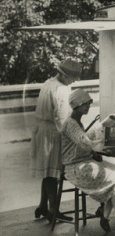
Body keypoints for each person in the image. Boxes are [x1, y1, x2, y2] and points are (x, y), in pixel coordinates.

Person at [61, 89, 115, 236]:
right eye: (86, 105)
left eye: (89, 104)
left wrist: (94, 153)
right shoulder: (71, 124)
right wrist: (103, 130)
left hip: (85, 162)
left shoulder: (76, 122)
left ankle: (105, 215)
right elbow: (85, 142)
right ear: (77, 105)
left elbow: (80, 145)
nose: (88, 107)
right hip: (76, 168)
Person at [30, 57, 82, 222]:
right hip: (52, 132)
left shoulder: (48, 83)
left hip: (41, 130)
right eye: (73, 78)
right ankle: (53, 209)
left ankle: (43, 205)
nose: (74, 81)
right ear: (66, 76)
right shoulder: (62, 90)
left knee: (47, 171)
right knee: (52, 172)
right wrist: (71, 135)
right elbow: (61, 118)